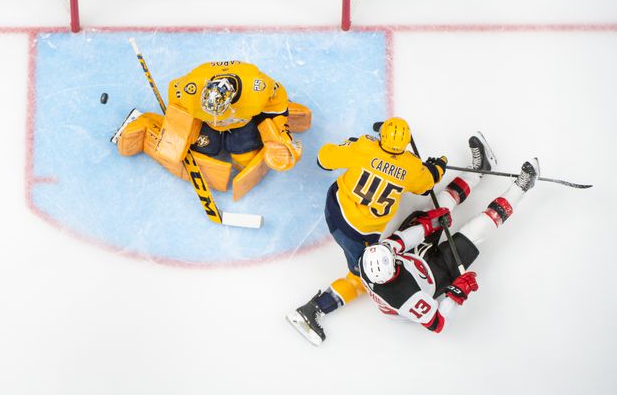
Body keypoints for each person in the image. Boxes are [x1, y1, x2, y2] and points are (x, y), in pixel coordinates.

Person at [288, 136, 539, 344]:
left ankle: (479, 170)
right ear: (391, 273)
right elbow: (438, 324)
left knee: (439, 203)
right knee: (480, 226)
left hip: (413, 259)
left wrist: (428, 222)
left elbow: (398, 243)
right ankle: (521, 188)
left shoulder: (370, 259)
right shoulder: (405, 296)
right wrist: (455, 293)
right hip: (434, 277)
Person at [112, 60, 310, 201]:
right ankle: (148, 123)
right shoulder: (189, 88)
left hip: (242, 121)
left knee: (245, 159)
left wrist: (280, 133)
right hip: (206, 121)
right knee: (205, 149)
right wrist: (176, 136)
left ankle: (282, 112)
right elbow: (176, 99)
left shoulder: (258, 88)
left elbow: (276, 100)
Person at [306, 117, 450, 306]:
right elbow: (425, 186)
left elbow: (322, 160)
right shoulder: (412, 166)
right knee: (364, 274)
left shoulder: (364, 146)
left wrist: (349, 145)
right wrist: (437, 167)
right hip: (358, 233)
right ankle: (321, 306)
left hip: (335, 207)